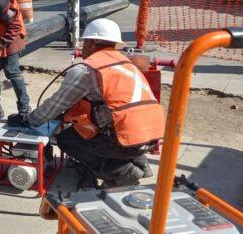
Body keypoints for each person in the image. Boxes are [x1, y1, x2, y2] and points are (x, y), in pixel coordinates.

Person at [17, 18, 165, 188]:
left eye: (84, 42)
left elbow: (55, 105)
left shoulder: (86, 70)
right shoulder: (126, 63)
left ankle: (122, 172)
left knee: (67, 139)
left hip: (127, 141)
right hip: (152, 136)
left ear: (90, 43)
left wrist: (29, 120)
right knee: (117, 124)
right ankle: (140, 164)